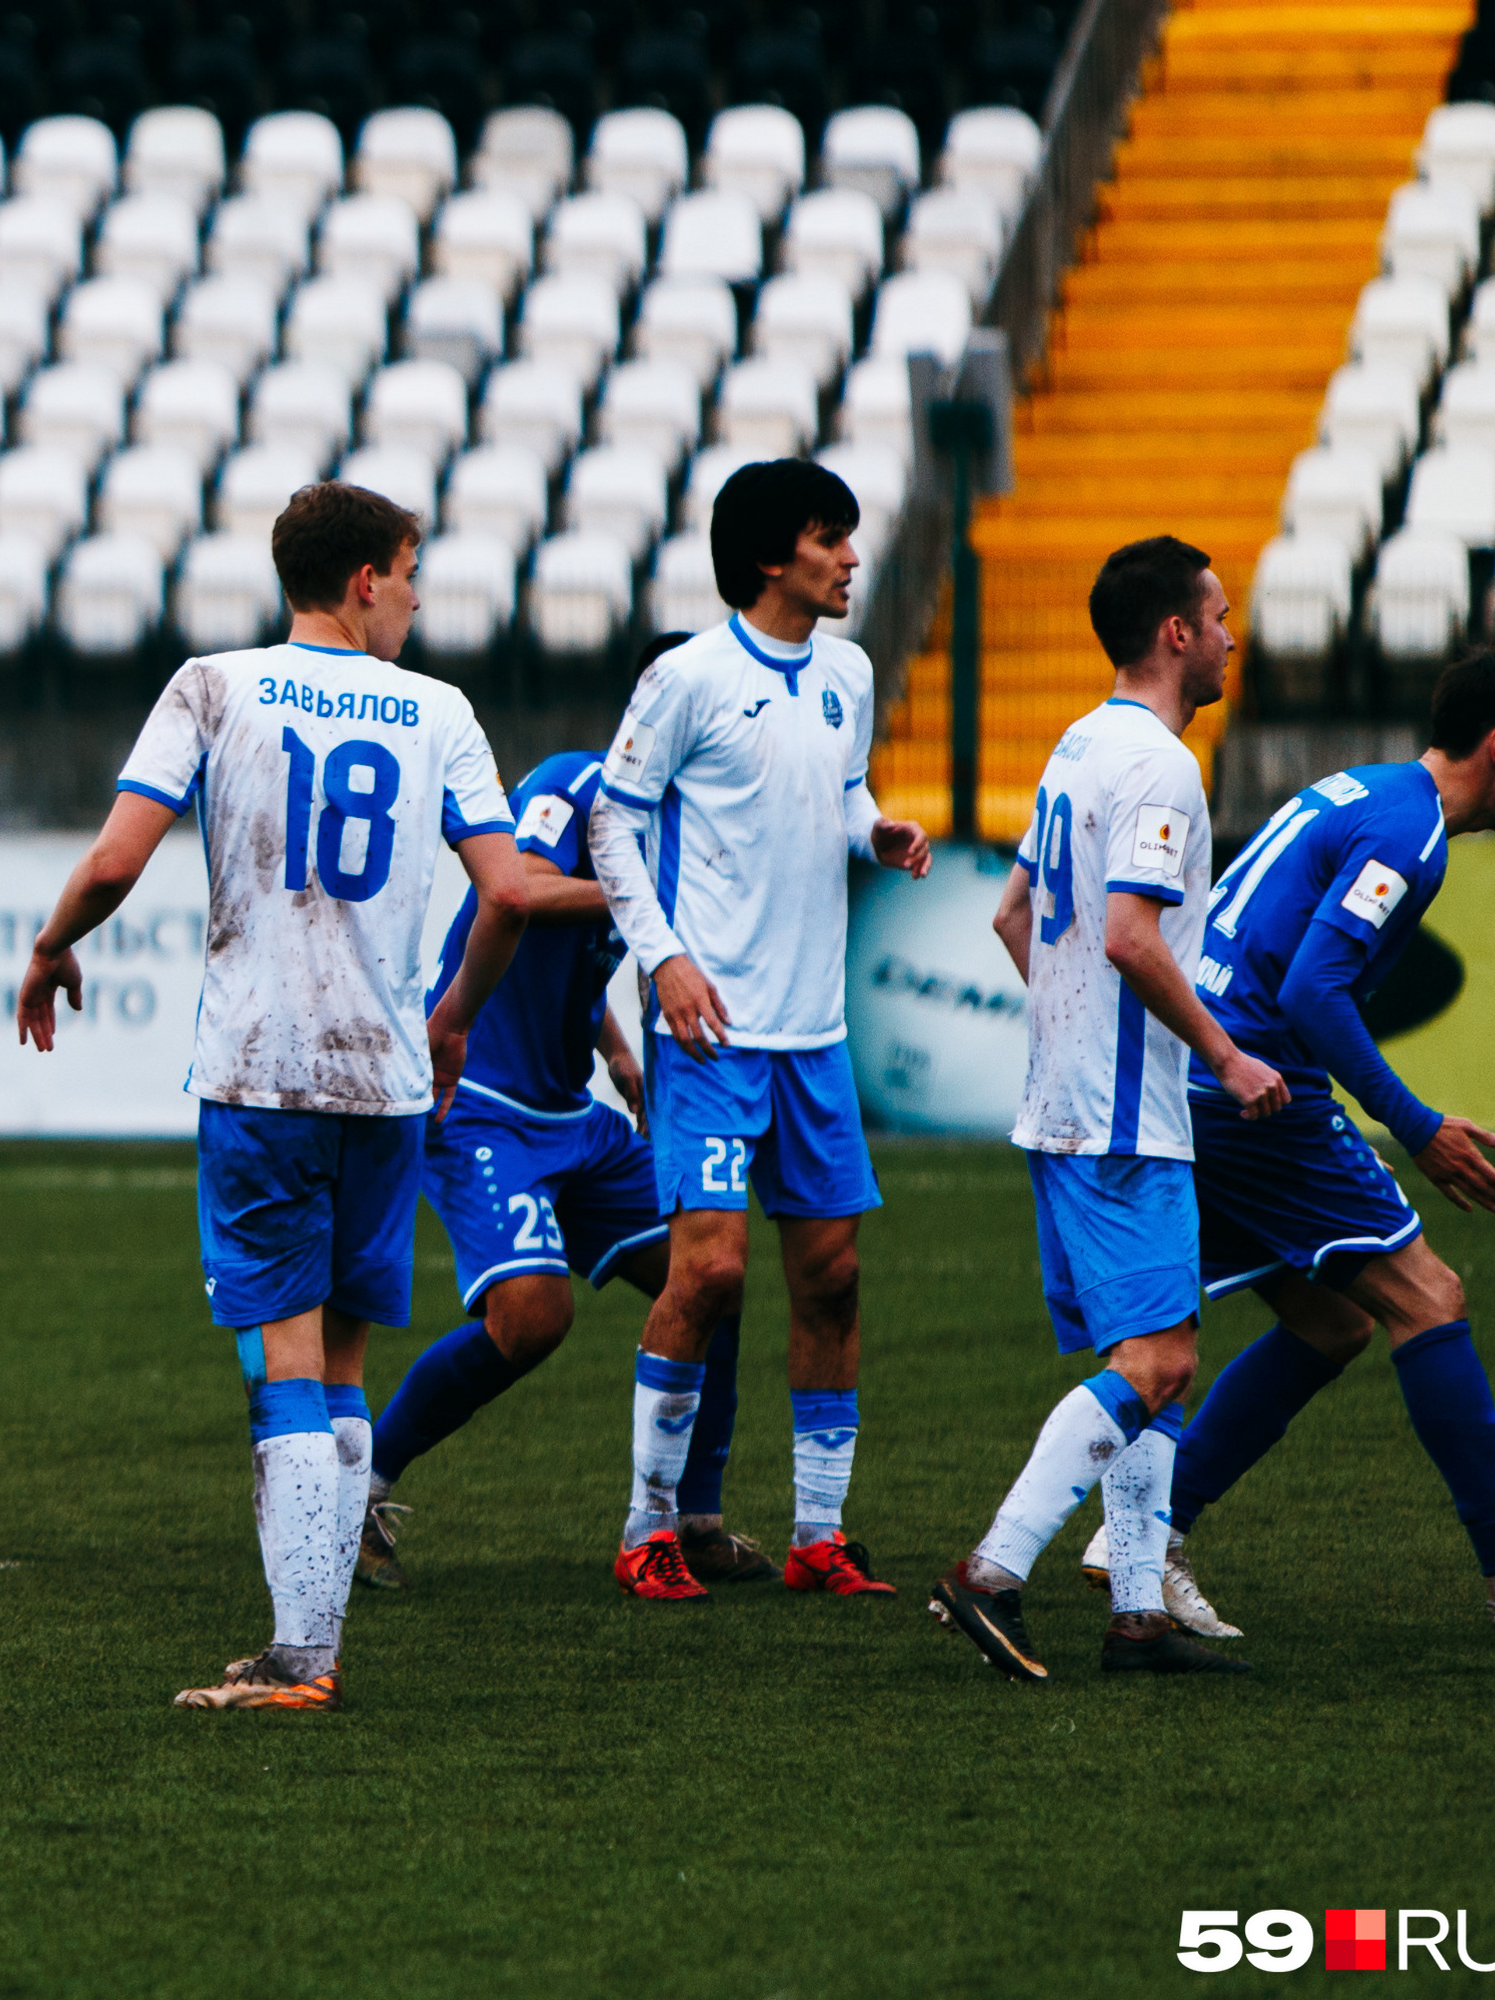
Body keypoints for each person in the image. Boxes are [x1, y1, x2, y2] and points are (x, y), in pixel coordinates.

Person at [17, 481, 532, 1711]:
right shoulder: (442, 710)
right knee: (344, 1364)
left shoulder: (212, 684)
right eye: (409, 573)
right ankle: (317, 1636)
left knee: (285, 1365)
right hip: (387, 1073)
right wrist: (454, 1010)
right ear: (364, 581)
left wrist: (48, 946)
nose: (413, 596)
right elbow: (507, 890)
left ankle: (301, 1659)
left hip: (260, 1068)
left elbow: (116, 859)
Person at [927, 537, 1282, 1681]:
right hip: (1128, 1119)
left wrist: (1070, 1033)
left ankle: (1138, 1615)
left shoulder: (1078, 743)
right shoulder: (1164, 767)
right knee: (1163, 1361)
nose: (1233, 633)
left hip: (1064, 1106)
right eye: (1220, 614)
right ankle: (991, 1571)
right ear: (1176, 632)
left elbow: (1012, 914)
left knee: (1152, 1350)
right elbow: (1129, 934)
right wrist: (1225, 1055)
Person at [360, 634, 774, 1595]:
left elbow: (577, 971)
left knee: (713, 1278)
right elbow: (519, 892)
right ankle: (364, 1484)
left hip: (571, 1113)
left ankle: (694, 1519)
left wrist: (621, 1058)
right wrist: (642, 905)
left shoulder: (685, 822)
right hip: (483, 1102)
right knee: (532, 1317)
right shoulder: (576, 782)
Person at [584, 459, 932, 1602]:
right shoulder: (687, 677)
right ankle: (649, 1528)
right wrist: (665, 958)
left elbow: (841, 789)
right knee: (713, 1268)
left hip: (814, 1030)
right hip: (714, 1026)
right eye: (832, 537)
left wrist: (874, 829)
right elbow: (613, 822)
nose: (850, 557)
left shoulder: (849, 671)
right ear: (775, 556)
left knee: (830, 1274)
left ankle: (818, 1536)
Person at [1156, 645, 1495, 1646]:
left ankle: (1144, 1530)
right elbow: (1311, 990)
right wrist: (1418, 1127)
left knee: (1331, 1321)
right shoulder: (1410, 831)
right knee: (1430, 1297)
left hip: (1195, 1072)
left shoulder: (1369, 792)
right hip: (1257, 1082)